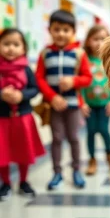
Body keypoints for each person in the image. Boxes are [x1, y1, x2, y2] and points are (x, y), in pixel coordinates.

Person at [35, 10, 92, 190]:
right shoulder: (45, 54)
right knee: (57, 139)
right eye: (57, 29)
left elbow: (87, 78)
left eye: (66, 30)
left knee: (74, 138)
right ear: (50, 30)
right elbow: (39, 78)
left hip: (73, 105)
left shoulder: (79, 53)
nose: (61, 33)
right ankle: (57, 173)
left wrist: (73, 81)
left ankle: (76, 170)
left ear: (73, 31)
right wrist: (52, 97)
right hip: (54, 106)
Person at [0, 29, 45, 201]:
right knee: (2, 152)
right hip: (2, 118)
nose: (11, 48)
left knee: (24, 150)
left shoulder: (26, 69)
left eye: (16, 44)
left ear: (23, 49)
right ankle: (5, 183)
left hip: (23, 117)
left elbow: (34, 89)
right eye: (6, 44)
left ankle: (24, 181)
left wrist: (21, 95)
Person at [82, 25, 110, 175]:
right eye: (95, 39)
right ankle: (92, 160)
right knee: (91, 131)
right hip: (89, 105)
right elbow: (81, 83)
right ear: (88, 41)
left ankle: (109, 155)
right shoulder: (84, 60)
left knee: (104, 131)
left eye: (103, 39)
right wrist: (82, 102)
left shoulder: (109, 60)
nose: (99, 43)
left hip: (105, 105)